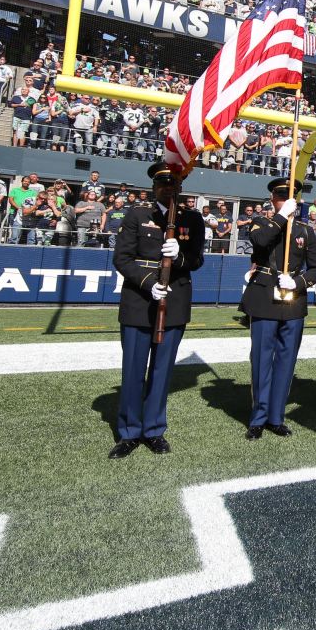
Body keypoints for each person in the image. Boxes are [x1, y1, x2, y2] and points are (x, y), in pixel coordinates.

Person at [108, 162, 206, 459]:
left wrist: (180, 258)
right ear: (154, 187)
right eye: (163, 184)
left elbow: (197, 260)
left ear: (180, 187)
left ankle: (153, 430)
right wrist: (149, 282)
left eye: (173, 184)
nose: (168, 188)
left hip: (174, 302)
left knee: (162, 372)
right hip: (139, 300)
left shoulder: (194, 218)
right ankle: (129, 432)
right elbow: (122, 259)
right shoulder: (138, 214)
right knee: (134, 370)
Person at [239, 177, 316, 440]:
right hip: (264, 296)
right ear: (272, 199)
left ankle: (276, 416)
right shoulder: (261, 221)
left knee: (286, 361)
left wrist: (298, 281)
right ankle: (259, 416)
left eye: (292, 197)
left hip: (292, 300)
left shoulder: (306, 231)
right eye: (282, 197)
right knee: (262, 360)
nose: (288, 201)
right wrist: (281, 217)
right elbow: (262, 242)